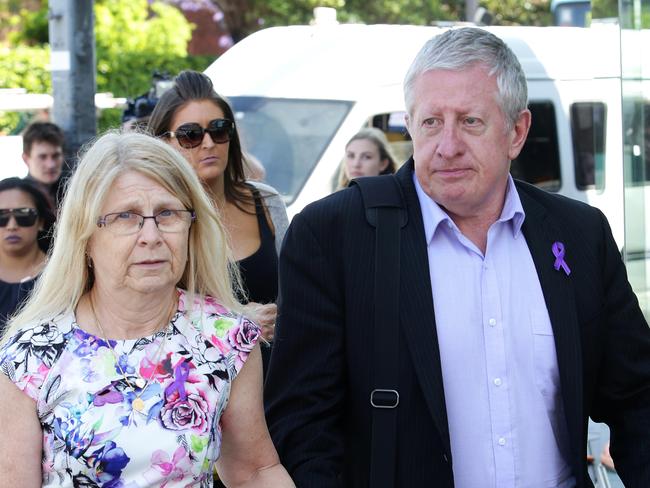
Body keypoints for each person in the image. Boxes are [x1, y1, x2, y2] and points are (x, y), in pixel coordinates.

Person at [264, 27, 650, 487]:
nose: (446, 146)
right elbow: (302, 423)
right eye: (430, 123)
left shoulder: (578, 234)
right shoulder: (333, 235)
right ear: (410, 125)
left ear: (517, 132)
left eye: (469, 121)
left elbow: (637, 397)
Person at [0, 132, 295, 487]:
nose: (151, 236)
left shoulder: (226, 338)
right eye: (126, 216)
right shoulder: (28, 356)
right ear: (85, 234)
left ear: (191, 225)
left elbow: (254, 471)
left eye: (167, 213)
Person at [148, 70, 289, 373]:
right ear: (165, 143)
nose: (209, 143)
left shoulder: (266, 202)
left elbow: (295, 292)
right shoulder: (155, 218)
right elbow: (145, 315)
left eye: (219, 129)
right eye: (191, 134)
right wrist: (233, 324)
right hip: (194, 387)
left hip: (275, 379)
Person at [0, 178, 54, 332]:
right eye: (1, 217)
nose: (12, 226)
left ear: (41, 221)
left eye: (24, 215)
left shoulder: (65, 275)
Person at [21, 121, 66, 209]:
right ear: (26, 159)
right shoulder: (17, 196)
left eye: (56, 156)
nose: (51, 165)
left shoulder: (72, 192)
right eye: (42, 157)